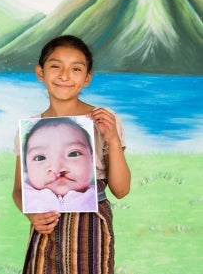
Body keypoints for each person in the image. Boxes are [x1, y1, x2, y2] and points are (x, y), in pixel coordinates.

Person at [12, 35, 131, 274]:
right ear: (40, 72)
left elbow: (120, 190)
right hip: (47, 225)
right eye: (55, 66)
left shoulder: (105, 120)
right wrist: (31, 214)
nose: (65, 75)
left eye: (76, 69)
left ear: (87, 77)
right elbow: (18, 190)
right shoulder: (30, 128)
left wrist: (113, 142)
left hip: (90, 227)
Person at [20, 116, 97, 213]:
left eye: (73, 154)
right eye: (40, 158)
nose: (57, 168)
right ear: (25, 166)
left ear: (92, 159)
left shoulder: (97, 197)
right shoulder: (24, 197)